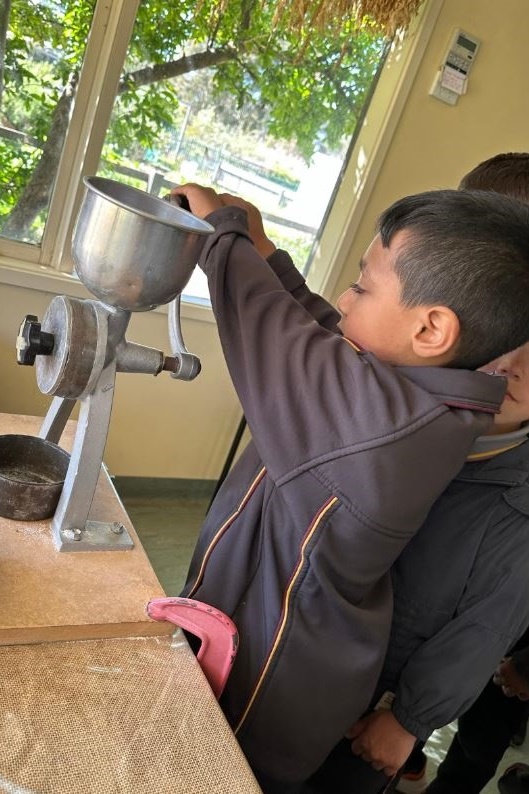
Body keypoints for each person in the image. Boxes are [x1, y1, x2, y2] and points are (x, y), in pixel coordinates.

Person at [172, 182, 529, 792]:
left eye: (363, 287)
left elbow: (278, 342)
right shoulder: (417, 398)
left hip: (268, 680)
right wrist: (262, 249)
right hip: (262, 636)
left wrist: (227, 237)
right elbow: (324, 335)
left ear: (432, 330)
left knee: (215, 774)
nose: (345, 296)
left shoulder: (381, 430)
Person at [299, 152, 529, 794]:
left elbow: (487, 625)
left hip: (377, 696)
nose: (505, 357)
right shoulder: (387, 402)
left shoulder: (513, 494)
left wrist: (409, 719)